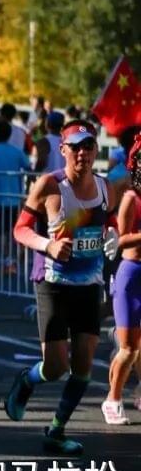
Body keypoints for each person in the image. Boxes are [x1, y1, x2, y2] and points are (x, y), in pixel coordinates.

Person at [5, 119, 111, 456]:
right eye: (75, 147)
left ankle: (56, 430)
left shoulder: (107, 188)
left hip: (89, 285)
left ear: (96, 150)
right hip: (53, 282)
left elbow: (111, 226)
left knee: (83, 364)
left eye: (88, 146)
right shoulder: (49, 185)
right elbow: (20, 230)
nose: (82, 153)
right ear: (63, 150)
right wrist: (47, 246)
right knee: (55, 367)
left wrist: (114, 237)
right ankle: (27, 380)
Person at [103, 131, 141, 424]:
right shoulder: (130, 198)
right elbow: (121, 241)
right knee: (128, 349)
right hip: (131, 275)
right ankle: (112, 400)